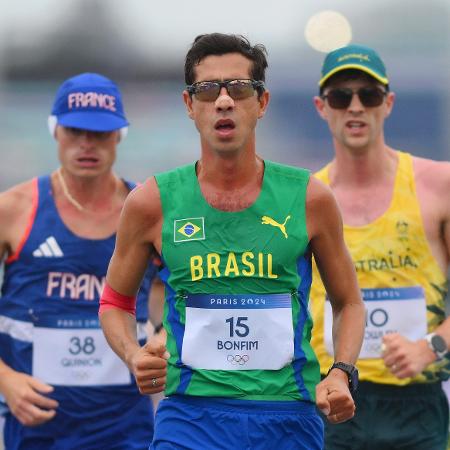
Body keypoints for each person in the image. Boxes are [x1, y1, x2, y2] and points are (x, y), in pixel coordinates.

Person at [99, 33, 365, 450]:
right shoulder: (152, 202)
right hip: (189, 418)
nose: (224, 101)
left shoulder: (310, 197)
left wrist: (340, 371)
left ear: (262, 103)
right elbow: (115, 302)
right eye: (208, 90)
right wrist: (133, 354)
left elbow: (348, 301)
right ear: (190, 105)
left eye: (239, 89)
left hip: (287, 418)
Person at [0, 73, 159, 450]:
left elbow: (185, 299)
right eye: (75, 131)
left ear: (119, 135)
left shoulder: (150, 211)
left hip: (124, 424)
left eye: (100, 133)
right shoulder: (14, 209)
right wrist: (6, 381)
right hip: (35, 421)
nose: (87, 144)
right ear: (55, 130)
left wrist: (165, 339)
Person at [310, 44, 450, 449]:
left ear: (387, 104)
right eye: (341, 96)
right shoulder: (306, 199)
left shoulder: (437, 186)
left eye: (368, 95)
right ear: (322, 107)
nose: (355, 107)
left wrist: (432, 347)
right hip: (331, 400)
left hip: (416, 405)